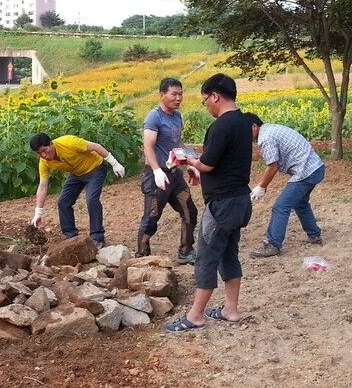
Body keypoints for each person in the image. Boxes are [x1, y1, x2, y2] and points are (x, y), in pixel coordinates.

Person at [163, 73, 253, 332]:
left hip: (222, 204)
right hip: (240, 200)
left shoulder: (221, 125)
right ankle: (230, 310)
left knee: (205, 256)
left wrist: (188, 161)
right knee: (228, 253)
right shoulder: (243, 122)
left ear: (215, 96)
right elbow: (222, 162)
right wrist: (200, 166)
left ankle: (195, 315)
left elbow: (207, 163)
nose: (207, 106)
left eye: (206, 100)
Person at [136, 77, 199, 263]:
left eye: (181, 94)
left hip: (174, 173)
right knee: (152, 216)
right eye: (174, 94)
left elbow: (177, 142)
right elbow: (148, 146)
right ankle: (141, 255)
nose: (178, 98)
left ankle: (185, 250)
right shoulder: (153, 117)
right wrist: (156, 170)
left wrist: (191, 163)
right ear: (162, 95)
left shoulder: (177, 116)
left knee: (190, 211)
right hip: (156, 175)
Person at [244, 113, 325, 258]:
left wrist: (262, 186)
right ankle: (314, 235)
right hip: (315, 167)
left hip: (306, 171)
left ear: (254, 126)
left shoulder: (265, 138)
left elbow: (272, 167)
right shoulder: (270, 129)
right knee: (300, 202)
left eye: (245, 130)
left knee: (280, 206)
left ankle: (273, 244)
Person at [29, 133, 125, 250]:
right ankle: (71, 238)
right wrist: (38, 212)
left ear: (51, 144)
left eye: (45, 150)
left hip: (95, 168)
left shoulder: (69, 142)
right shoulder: (44, 162)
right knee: (63, 202)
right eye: (39, 153)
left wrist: (115, 163)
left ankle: (97, 238)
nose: (44, 155)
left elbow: (96, 146)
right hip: (76, 174)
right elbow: (43, 186)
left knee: (91, 199)